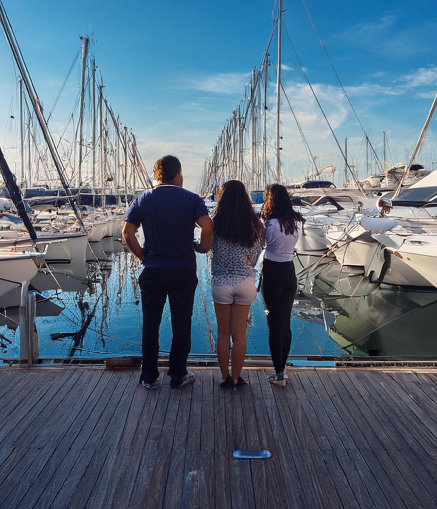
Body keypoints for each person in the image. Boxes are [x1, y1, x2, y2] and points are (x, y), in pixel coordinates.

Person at [122, 155, 213, 390]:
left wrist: (143, 256)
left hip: (153, 270)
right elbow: (207, 226)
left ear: (157, 177)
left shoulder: (142, 199)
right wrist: (203, 247)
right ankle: (178, 374)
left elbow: (127, 233)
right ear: (179, 174)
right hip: (183, 270)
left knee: (150, 325)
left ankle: (149, 376)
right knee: (181, 324)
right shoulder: (191, 199)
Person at [210, 180, 264, 389]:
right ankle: (236, 377)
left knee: (223, 333)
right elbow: (256, 256)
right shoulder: (256, 225)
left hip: (221, 282)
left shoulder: (216, 224)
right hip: (245, 281)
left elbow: (209, 247)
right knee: (239, 334)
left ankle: (224, 378)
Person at [260, 184, 303, 386]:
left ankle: (278, 372)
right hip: (289, 272)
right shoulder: (297, 222)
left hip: (273, 272)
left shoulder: (271, 224)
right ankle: (282, 368)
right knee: (285, 321)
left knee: (273, 323)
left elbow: (262, 244)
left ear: (271, 200)